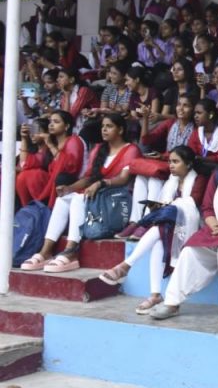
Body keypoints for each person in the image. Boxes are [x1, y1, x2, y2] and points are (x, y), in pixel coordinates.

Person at [148, 133, 218, 320]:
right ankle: (172, 303)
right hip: (216, 229)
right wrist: (212, 223)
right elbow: (207, 207)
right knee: (190, 250)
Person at [20, 114, 140, 273]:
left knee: (78, 199)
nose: (104, 129)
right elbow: (88, 178)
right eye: (103, 126)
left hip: (116, 202)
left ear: (121, 129)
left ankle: (71, 250)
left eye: (109, 126)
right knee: (63, 199)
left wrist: (101, 183)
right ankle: (46, 251)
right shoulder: (99, 148)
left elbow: (124, 179)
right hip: (96, 197)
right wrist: (69, 188)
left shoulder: (131, 149)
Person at [99, 146, 205, 314]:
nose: (171, 165)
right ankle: (155, 294)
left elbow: (192, 206)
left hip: (190, 226)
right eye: (170, 161)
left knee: (161, 227)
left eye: (176, 162)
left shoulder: (198, 180)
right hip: (170, 226)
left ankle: (127, 265)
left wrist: (168, 207)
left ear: (189, 164)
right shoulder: (172, 181)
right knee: (158, 239)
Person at [16, 110, 86, 207]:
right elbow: (25, 164)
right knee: (23, 176)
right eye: (50, 122)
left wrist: (50, 144)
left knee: (33, 175)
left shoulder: (73, 140)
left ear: (67, 126)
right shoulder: (52, 144)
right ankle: (28, 210)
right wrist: (24, 138)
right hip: (51, 182)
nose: (51, 125)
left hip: (68, 182)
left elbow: (70, 166)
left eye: (56, 122)